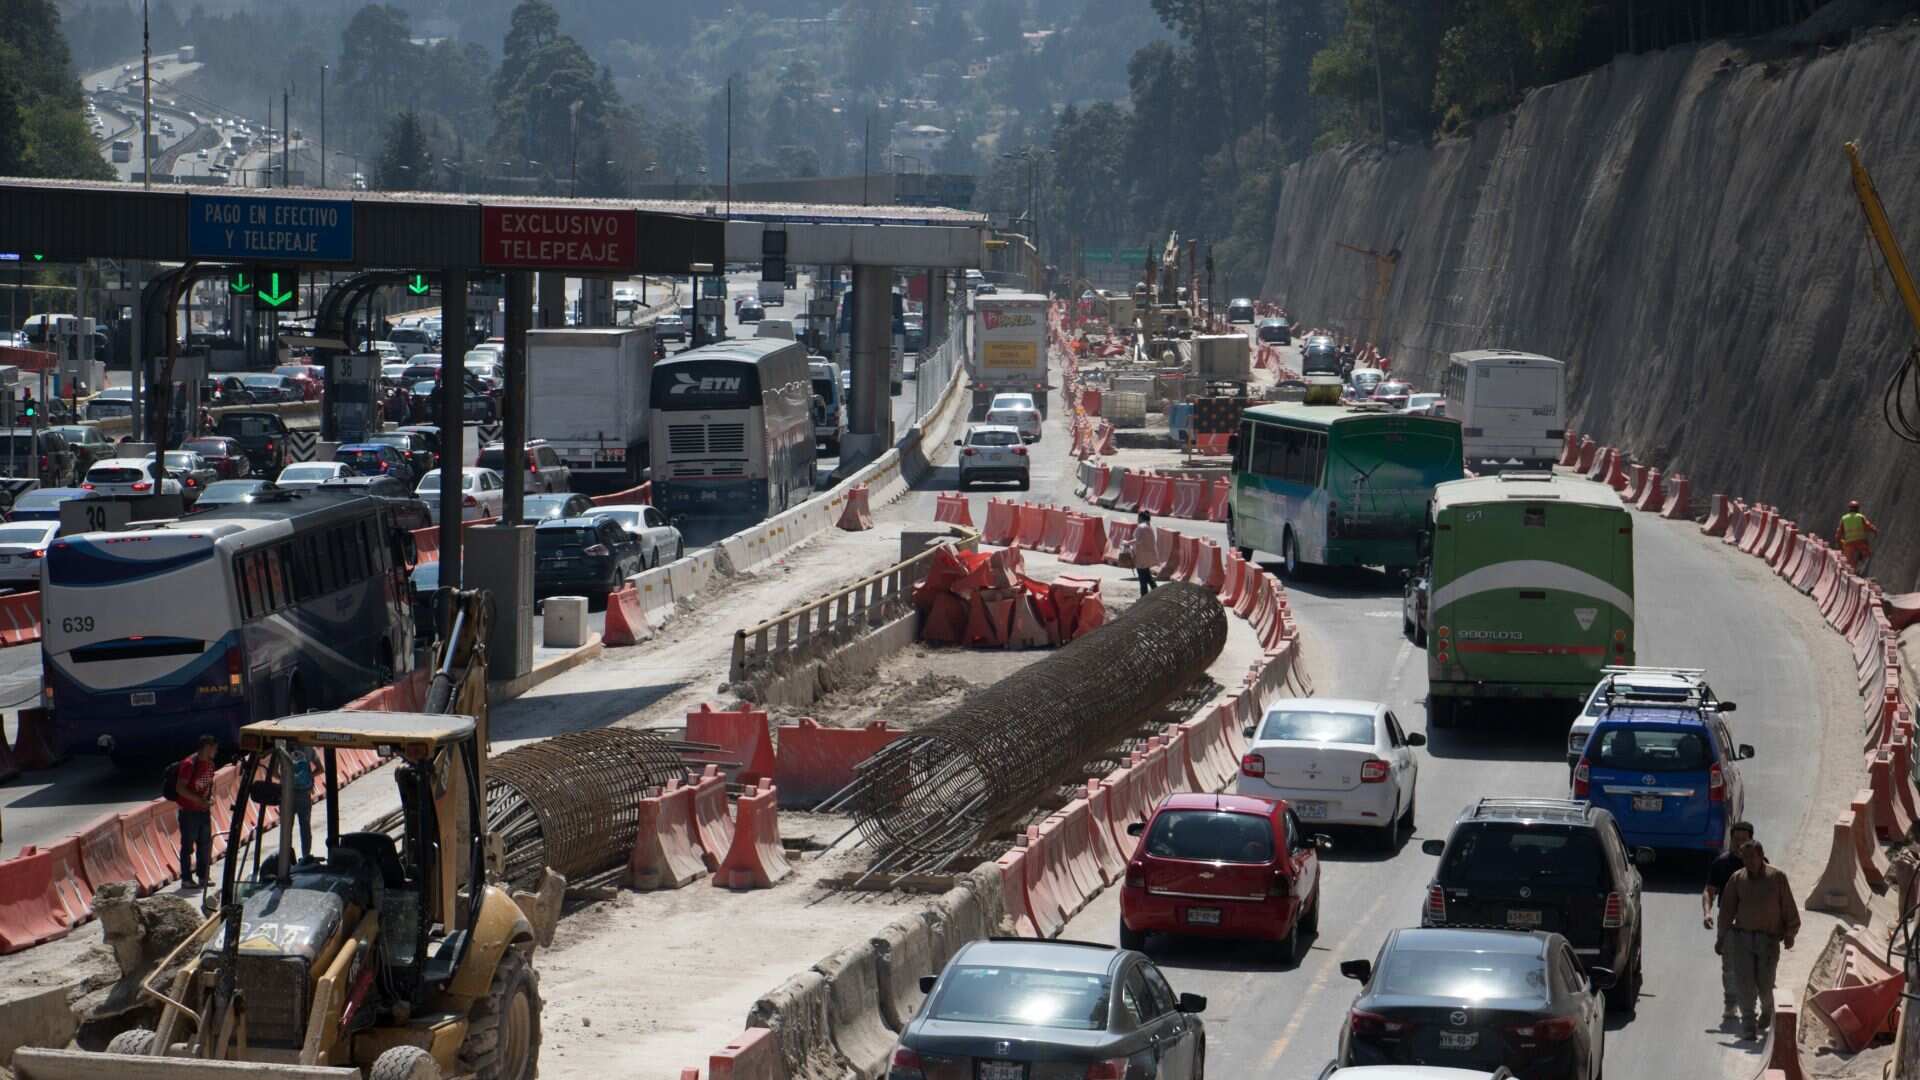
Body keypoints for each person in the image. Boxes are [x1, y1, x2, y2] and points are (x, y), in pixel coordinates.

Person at [1716, 839, 1800, 1040]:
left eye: (1752, 857)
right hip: (1742, 939)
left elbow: (1788, 906)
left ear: (1761, 856)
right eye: (1745, 858)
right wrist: (1721, 938)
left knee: (1765, 983)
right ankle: (1748, 1025)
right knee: (1745, 983)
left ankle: (1767, 1011)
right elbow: (1727, 911)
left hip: (1769, 941)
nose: (1749, 862)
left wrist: (1790, 933)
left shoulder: (1777, 877)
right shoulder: (1737, 879)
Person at [1703, 821, 1757, 1024]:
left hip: (1754, 923)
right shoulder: (1721, 863)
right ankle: (1731, 1003)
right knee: (1730, 966)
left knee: (1752, 965)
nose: (1740, 844)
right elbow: (1709, 890)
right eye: (1736, 840)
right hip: (1729, 922)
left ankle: (1750, 1005)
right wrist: (1707, 913)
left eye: (1744, 840)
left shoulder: (1760, 865)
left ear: (1751, 840)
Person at [173, 735, 219, 890]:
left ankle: (203, 877)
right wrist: (198, 800)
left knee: (204, 845)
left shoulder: (210, 764)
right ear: (207, 747)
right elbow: (180, 788)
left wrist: (209, 798)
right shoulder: (189, 764)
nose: (216, 751)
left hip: (203, 811)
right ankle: (186, 878)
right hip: (189, 812)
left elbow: (209, 785)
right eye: (214, 748)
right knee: (187, 846)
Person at [287, 744, 321, 864]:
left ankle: (287, 859)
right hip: (304, 795)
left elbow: (275, 772)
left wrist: (287, 780)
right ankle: (306, 856)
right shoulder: (309, 749)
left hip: (288, 795)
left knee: (287, 829)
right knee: (305, 827)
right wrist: (309, 776)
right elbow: (320, 768)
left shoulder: (283, 749)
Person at [1834, 500, 1878, 572]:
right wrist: (1874, 530)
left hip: (1849, 543)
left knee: (1849, 561)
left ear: (1849, 508)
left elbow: (1839, 532)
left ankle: (1852, 571)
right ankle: (1863, 564)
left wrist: (1838, 542)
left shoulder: (1844, 518)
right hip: (1861, 541)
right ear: (1858, 508)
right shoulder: (1860, 517)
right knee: (1867, 554)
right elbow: (1868, 526)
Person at [1128, 511, 1159, 596]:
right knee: (1148, 578)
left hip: (1141, 558)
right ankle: (1157, 595)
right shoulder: (1149, 527)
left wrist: (1128, 544)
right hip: (1148, 557)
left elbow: (1138, 541)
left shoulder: (1141, 527)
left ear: (1141, 518)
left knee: (1143, 580)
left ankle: (1143, 599)